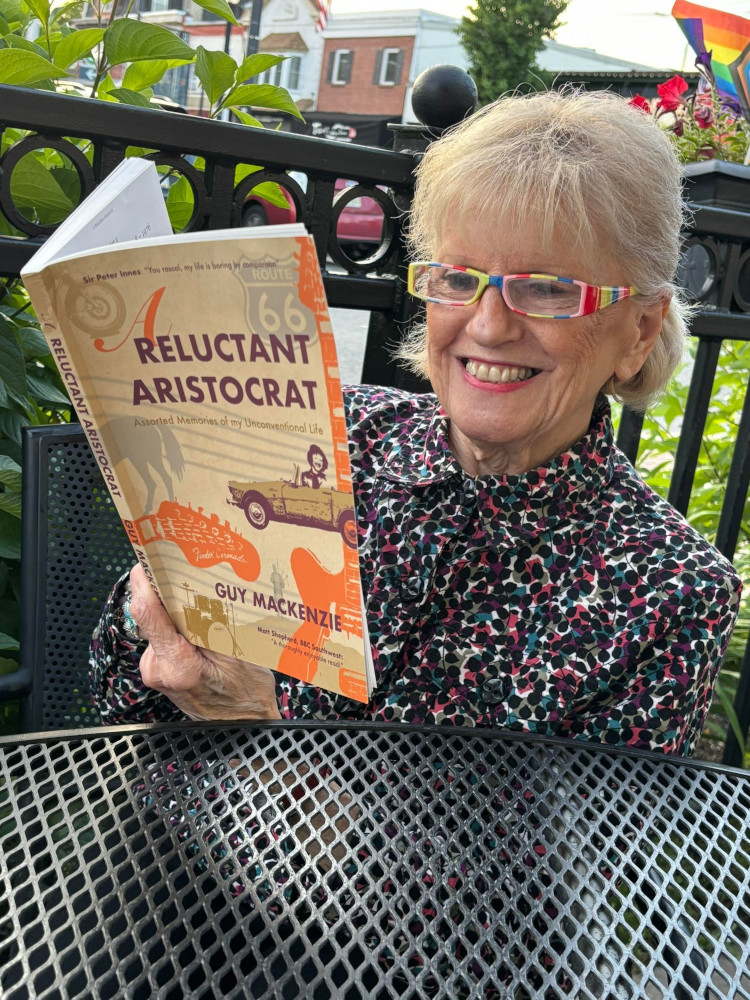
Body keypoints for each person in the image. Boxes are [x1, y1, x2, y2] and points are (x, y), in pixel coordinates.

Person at [90, 89, 741, 756]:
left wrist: (259, 728)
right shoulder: (332, 432)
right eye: (458, 278)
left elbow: (567, 830)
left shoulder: (673, 590)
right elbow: (114, 697)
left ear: (640, 330)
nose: (489, 325)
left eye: (547, 288)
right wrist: (159, 604)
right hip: (161, 815)